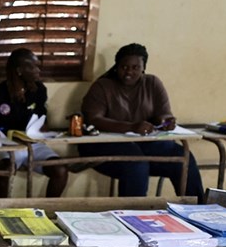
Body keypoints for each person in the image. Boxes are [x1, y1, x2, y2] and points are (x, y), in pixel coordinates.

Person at [79, 43, 204, 199]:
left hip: (143, 143)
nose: (129, 72)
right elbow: (94, 119)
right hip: (104, 145)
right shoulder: (103, 86)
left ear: (143, 68)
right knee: (136, 163)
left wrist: (166, 122)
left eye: (135, 67)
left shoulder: (152, 83)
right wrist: (131, 127)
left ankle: (197, 211)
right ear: (117, 67)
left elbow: (163, 113)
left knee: (182, 156)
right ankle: (134, 217)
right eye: (124, 67)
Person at [0, 48, 68, 197]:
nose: (38, 70)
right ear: (19, 70)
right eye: (33, 67)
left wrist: (44, 128)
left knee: (60, 169)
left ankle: (47, 213)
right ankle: (0, 213)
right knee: (4, 171)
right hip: (5, 146)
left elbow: (41, 119)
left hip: (33, 145)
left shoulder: (39, 90)